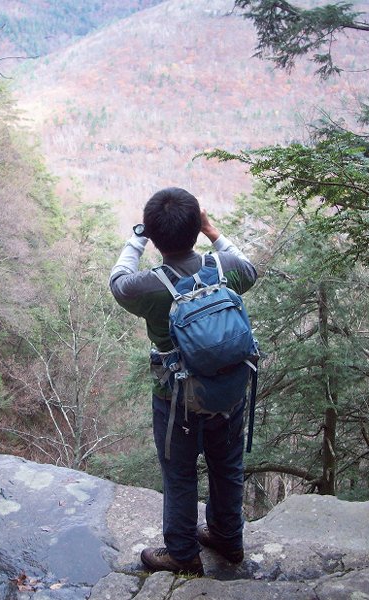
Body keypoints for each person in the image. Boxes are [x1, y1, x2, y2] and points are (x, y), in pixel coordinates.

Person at [109, 187, 258, 576]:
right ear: (196, 228)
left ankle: (182, 554)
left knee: (179, 471)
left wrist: (137, 237)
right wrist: (213, 231)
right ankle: (228, 538)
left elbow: (117, 279)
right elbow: (251, 268)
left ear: (156, 237)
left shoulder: (147, 288)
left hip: (175, 400)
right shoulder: (225, 267)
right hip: (229, 391)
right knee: (226, 466)